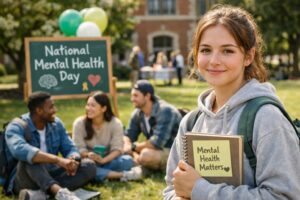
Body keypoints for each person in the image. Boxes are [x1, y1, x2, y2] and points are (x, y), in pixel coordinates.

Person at [163, 5, 300, 200]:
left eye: (227, 51)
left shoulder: (267, 118)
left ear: (248, 56)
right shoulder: (191, 122)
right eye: (206, 50)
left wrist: (199, 190)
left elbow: (284, 196)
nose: (214, 60)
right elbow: (171, 189)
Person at [4, 91, 96, 200]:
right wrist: (58, 160)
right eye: (51, 107)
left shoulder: (56, 124)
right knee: (31, 157)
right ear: (39, 110)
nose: (55, 110)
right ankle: (59, 193)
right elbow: (19, 150)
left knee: (89, 165)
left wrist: (74, 160)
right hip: (25, 178)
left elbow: (70, 147)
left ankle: (42, 194)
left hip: (51, 173)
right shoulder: (16, 126)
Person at [72, 91, 142, 182]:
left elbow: (117, 149)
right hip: (88, 162)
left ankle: (105, 175)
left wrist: (103, 160)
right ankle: (123, 175)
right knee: (86, 169)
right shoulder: (79, 123)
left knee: (127, 160)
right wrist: (88, 154)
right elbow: (78, 149)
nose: (88, 108)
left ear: (104, 108)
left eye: (93, 105)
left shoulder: (115, 123)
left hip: (108, 160)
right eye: (87, 105)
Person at [123, 80, 182, 171]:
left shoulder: (166, 111)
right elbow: (128, 135)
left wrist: (133, 147)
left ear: (147, 96)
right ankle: (140, 163)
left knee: (146, 155)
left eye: (136, 96)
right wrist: (127, 146)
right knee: (122, 148)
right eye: (132, 96)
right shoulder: (138, 113)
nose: (132, 99)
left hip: (174, 151)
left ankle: (139, 163)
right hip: (154, 150)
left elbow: (157, 143)